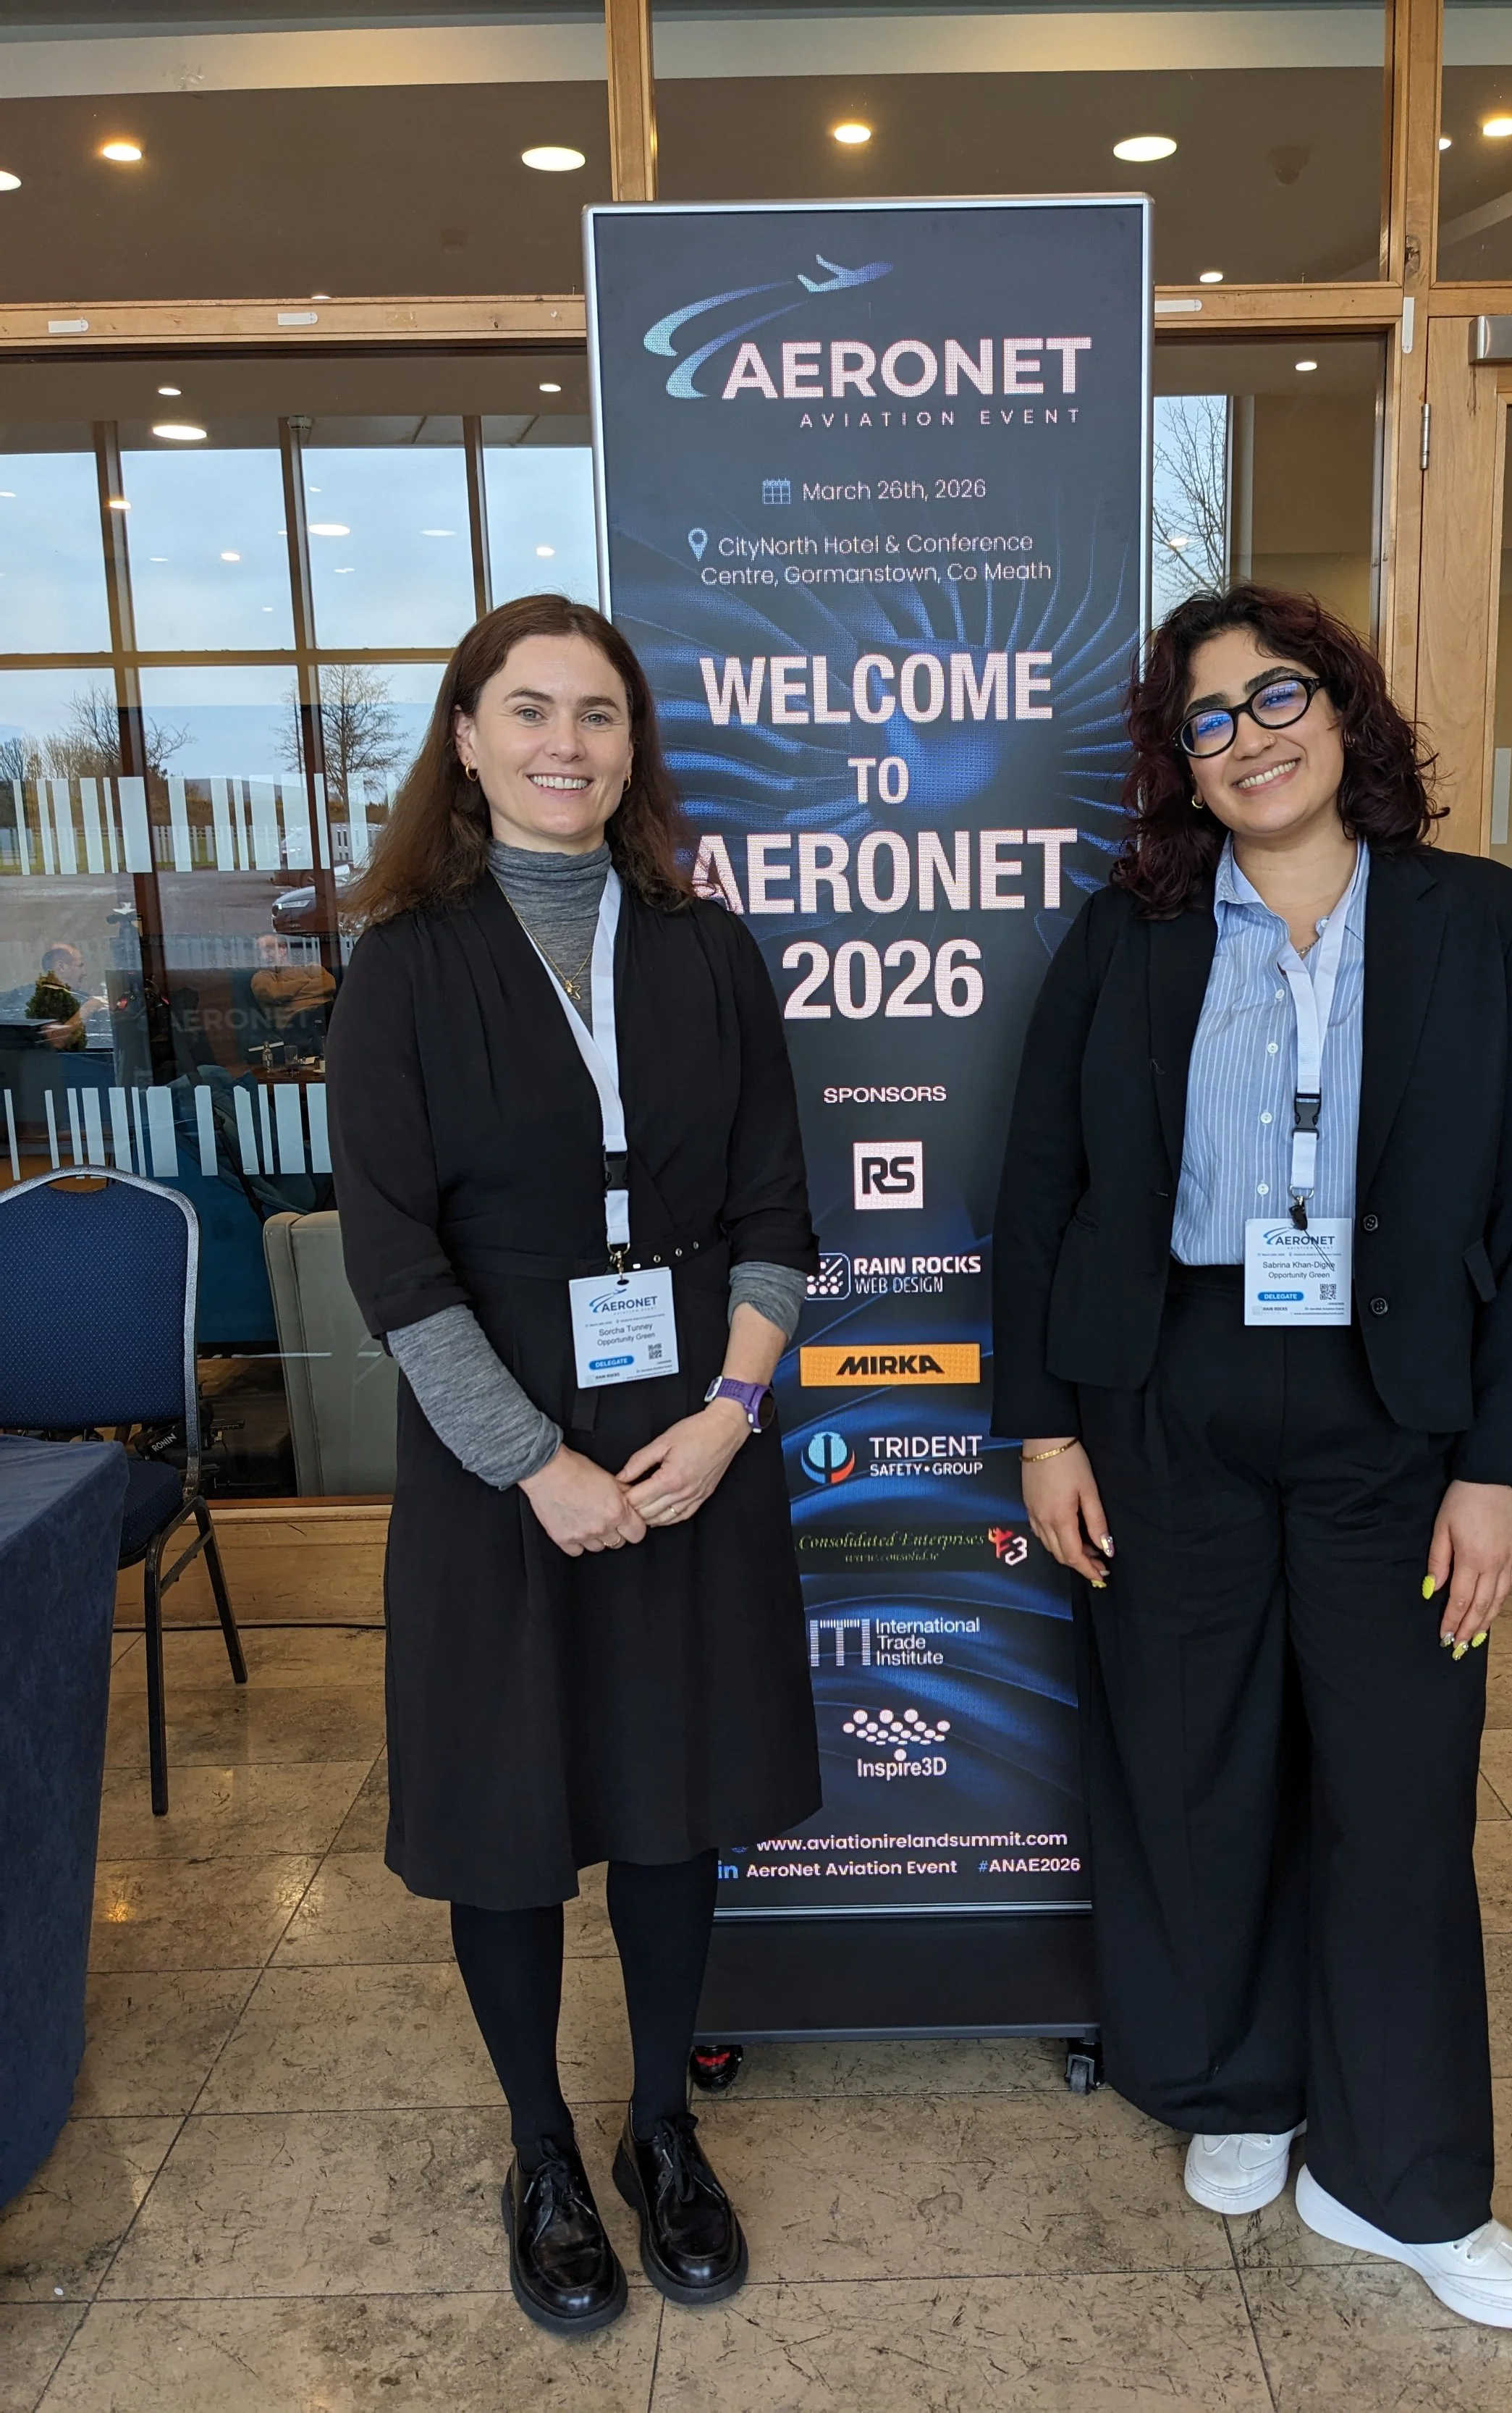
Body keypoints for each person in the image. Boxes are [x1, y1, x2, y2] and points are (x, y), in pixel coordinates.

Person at [992, 585, 1512, 2331]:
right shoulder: (1130, 933)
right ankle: (1236, 2083)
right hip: (1166, 1385)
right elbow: (1039, 1190)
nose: (1248, 736)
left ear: (1343, 712)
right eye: (1207, 717)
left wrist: (1500, 1463)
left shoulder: (1482, 924)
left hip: (1398, 1406)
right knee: (1193, 1766)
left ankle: (1397, 2177)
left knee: (1396, 1791)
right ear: (1177, 763)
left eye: (1276, 697)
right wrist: (1044, 1422)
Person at [328, 594, 821, 2336]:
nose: (564, 745)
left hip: (690, 1446)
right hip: (497, 1470)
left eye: (597, 714)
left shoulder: (701, 946)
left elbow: (777, 1208)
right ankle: (540, 2145)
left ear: (634, 747)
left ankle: (656, 2133)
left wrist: (731, 1409)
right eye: (526, 710)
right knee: (511, 1824)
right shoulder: (401, 958)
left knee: (673, 1800)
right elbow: (392, 1260)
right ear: (464, 737)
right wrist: (531, 1462)